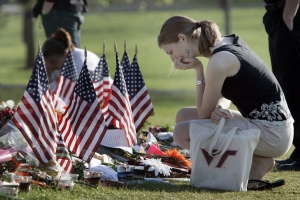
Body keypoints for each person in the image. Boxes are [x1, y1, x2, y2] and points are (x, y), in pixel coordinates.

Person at [157, 16, 294, 190]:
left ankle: (255, 161)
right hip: (274, 127)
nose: (172, 58)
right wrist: (220, 107)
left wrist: (198, 70)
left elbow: (203, 113)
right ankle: (258, 159)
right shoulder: (228, 43)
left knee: (181, 133)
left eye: (170, 52)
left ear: (183, 39)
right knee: (183, 116)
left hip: (273, 134)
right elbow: (231, 90)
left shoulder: (219, 60)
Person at [263, 0, 300, 170]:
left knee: (294, 86)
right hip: (275, 15)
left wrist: (288, 16)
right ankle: (299, 150)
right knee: (286, 87)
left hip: (287, 13)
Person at [42, 27, 100, 92]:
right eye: (46, 62)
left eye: (52, 62)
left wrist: (51, 83)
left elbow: (68, 97)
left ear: (65, 54)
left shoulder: (79, 64)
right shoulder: (60, 63)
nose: (49, 66)